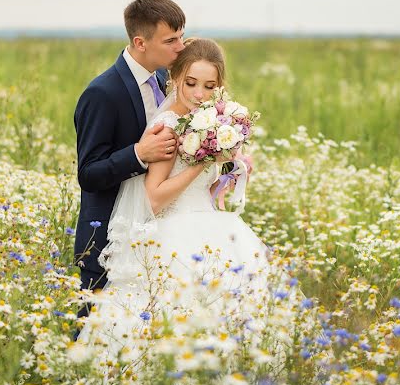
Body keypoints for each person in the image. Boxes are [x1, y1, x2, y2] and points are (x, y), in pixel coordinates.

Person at [76, 38, 271, 353]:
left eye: (209, 86)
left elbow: (203, 190)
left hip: (211, 226)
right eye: (191, 82)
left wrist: (227, 172)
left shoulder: (211, 124)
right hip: (171, 233)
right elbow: (153, 198)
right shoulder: (168, 126)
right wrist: (201, 163)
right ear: (175, 78)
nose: (199, 94)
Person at [72, 0, 186, 325]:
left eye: (181, 36)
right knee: (95, 331)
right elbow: (88, 174)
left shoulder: (169, 80)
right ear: (140, 42)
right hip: (110, 235)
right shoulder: (102, 93)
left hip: (157, 230)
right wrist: (139, 154)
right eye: (171, 40)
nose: (181, 47)